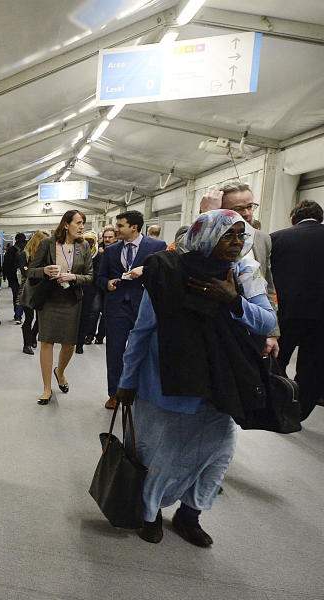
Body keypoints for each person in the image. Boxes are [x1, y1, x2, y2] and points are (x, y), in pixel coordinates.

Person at [116, 210, 276, 546]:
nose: (236, 243)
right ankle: (150, 515)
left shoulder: (245, 271)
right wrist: (127, 381)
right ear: (206, 236)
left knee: (217, 456)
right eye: (227, 235)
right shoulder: (167, 271)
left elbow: (265, 322)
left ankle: (190, 515)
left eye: (239, 235)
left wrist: (233, 300)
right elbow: (142, 331)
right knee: (161, 457)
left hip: (220, 383)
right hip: (167, 384)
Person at [96, 210, 167, 409]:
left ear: (134, 227)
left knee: (145, 350)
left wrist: (144, 271)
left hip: (145, 307)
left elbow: (163, 274)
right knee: (115, 351)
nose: (116, 230)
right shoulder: (110, 251)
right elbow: (99, 278)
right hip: (117, 307)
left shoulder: (157, 247)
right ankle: (114, 393)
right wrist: (107, 282)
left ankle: (142, 392)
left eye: (120, 226)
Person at [200, 181, 280, 357]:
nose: (247, 213)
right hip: (214, 330)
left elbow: (268, 286)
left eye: (250, 206)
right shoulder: (200, 237)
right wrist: (208, 215)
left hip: (254, 327)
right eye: (238, 209)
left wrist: (272, 333)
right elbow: (185, 257)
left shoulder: (262, 239)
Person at [26, 210, 93, 404]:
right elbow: (31, 271)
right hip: (49, 299)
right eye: (78, 223)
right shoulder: (48, 244)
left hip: (72, 299)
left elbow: (90, 276)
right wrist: (45, 270)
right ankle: (46, 388)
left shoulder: (84, 246)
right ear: (66, 224)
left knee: (69, 344)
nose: (82, 227)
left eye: (83, 223)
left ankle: (60, 372)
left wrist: (73, 277)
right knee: (46, 342)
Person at [270, 200, 324, 418]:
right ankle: (299, 412)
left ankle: (275, 402)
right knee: (312, 366)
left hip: (286, 312)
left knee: (277, 358)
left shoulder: (276, 238)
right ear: (320, 219)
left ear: (293, 220)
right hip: (321, 317)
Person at [19, 231, 48, 354]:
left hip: (41, 288)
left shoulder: (44, 255)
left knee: (40, 317)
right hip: (28, 289)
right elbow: (26, 272)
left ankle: (32, 338)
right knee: (29, 317)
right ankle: (27, 344)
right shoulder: (24, 254)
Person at [76, 231, 100, 353]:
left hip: (90, 289)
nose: (89, 243)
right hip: (75, 287)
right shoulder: (77, 253)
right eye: (87, 240)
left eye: (91, 241)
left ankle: (80, 343)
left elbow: (99, 274)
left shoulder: (98, 255)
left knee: (86, 315)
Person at [92, 227, 117, 345]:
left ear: (115, 238)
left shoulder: (118, 251)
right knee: (94, 310)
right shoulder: (98, 251)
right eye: (106, 237)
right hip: (98, 284)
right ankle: (89, 335)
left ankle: (100, 336)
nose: (107, 239)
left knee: (106, 313)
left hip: (112, 286)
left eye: (110, 237)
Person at [3, 233, 27, 324]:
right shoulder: (28, 248)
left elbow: (6, 264)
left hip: (13, 276)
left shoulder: (11, 250)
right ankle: (25, 316)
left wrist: (5, 276)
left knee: (16, 295)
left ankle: (17, 316)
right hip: (26, 275)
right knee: (24, 295)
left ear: (16, 239)